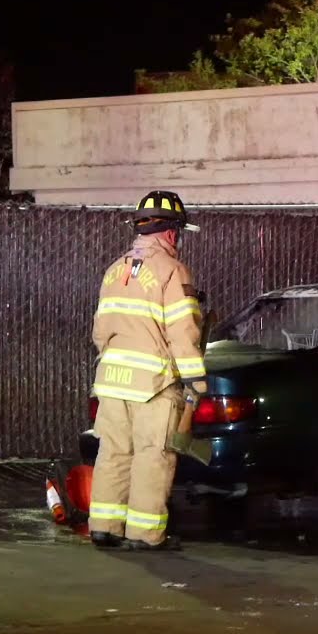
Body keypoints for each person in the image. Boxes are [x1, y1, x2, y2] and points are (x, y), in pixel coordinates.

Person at [87, 190, 206, 550]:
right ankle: (145, 535)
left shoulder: (115, 270)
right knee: (153, 457)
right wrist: (196, 381)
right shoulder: (172, 270)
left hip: (111, 380)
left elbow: (100, 331)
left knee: (113, 453)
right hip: (153, 385)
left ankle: (105, 528)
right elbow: (183, 333)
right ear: (171, 233)